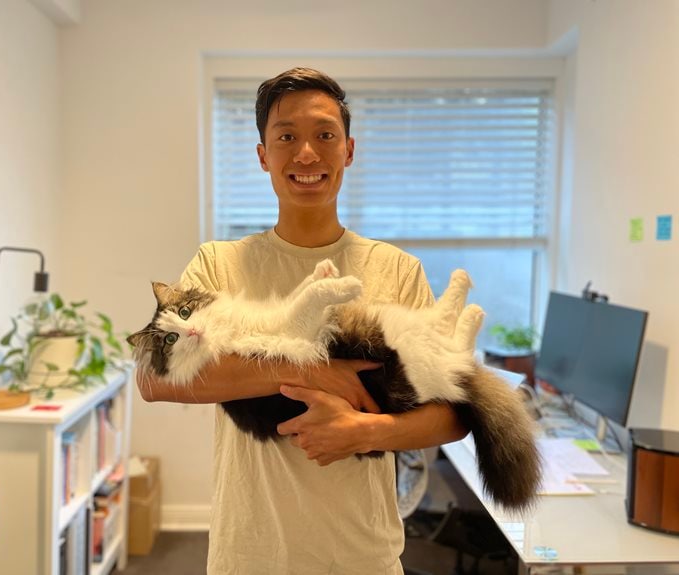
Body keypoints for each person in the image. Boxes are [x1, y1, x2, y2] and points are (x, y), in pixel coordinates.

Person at [138, 67, 475, 574]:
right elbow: (153, 379)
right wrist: (312, 371)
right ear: (263, 156)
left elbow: (455, 414)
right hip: (250, 556)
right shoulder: (217, 264)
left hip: (363, 556)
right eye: (286, 137)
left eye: (325, 135)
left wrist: (366, 432)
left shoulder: (397, 270)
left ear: (349, 150)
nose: (307, 154)